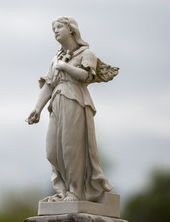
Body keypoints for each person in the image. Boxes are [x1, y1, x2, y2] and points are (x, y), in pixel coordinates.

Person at [27, 16, 118, 202]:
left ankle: (75, 192)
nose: (55, 30)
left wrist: (65, 67)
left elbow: (86, 76)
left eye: (59, 26)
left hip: (75, 101)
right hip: (57, 104)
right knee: (52, 151)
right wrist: (37, 108)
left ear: (71, 29)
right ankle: (61, 190)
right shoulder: (56, 59)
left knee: (71, 149)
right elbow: (48, 85)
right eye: (53, 28)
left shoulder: (87, 54)